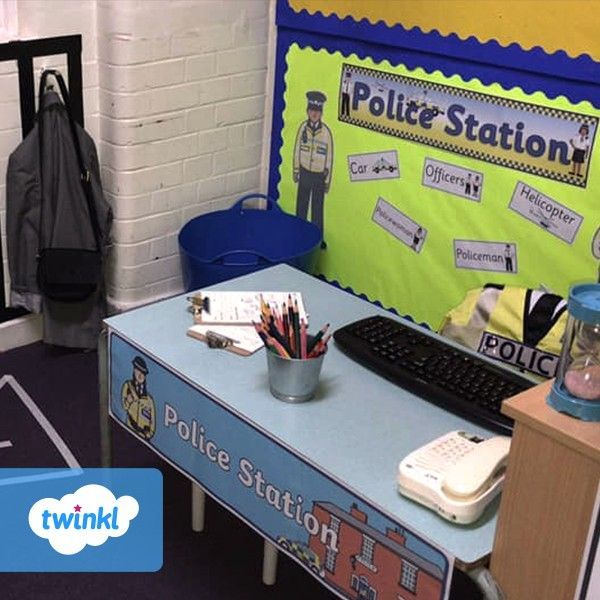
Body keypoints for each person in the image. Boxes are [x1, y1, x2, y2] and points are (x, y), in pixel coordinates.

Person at [293, 91, 334, 250]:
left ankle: (318, 239)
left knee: (317, 208)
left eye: (317, 111)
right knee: (301, 205)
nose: (314, 114)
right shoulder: (303, 128)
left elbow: (329, 157)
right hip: (305, 171)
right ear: (307, 111)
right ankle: (297, 234)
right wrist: (296, 169)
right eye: (311, 110)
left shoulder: (326, 133)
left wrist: (327, 181)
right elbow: (297, 149)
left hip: (318, 175)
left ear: (321, 113)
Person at [121, 356, 156, 440]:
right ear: (134, 371)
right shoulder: (128, 386)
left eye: (143, 373)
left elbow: (153, 421)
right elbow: (124, 406)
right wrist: (128, 401)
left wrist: (149, 435)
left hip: (143, 436)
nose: (140, 375)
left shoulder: (149, 399)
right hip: (129, 429)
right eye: (138, 371)